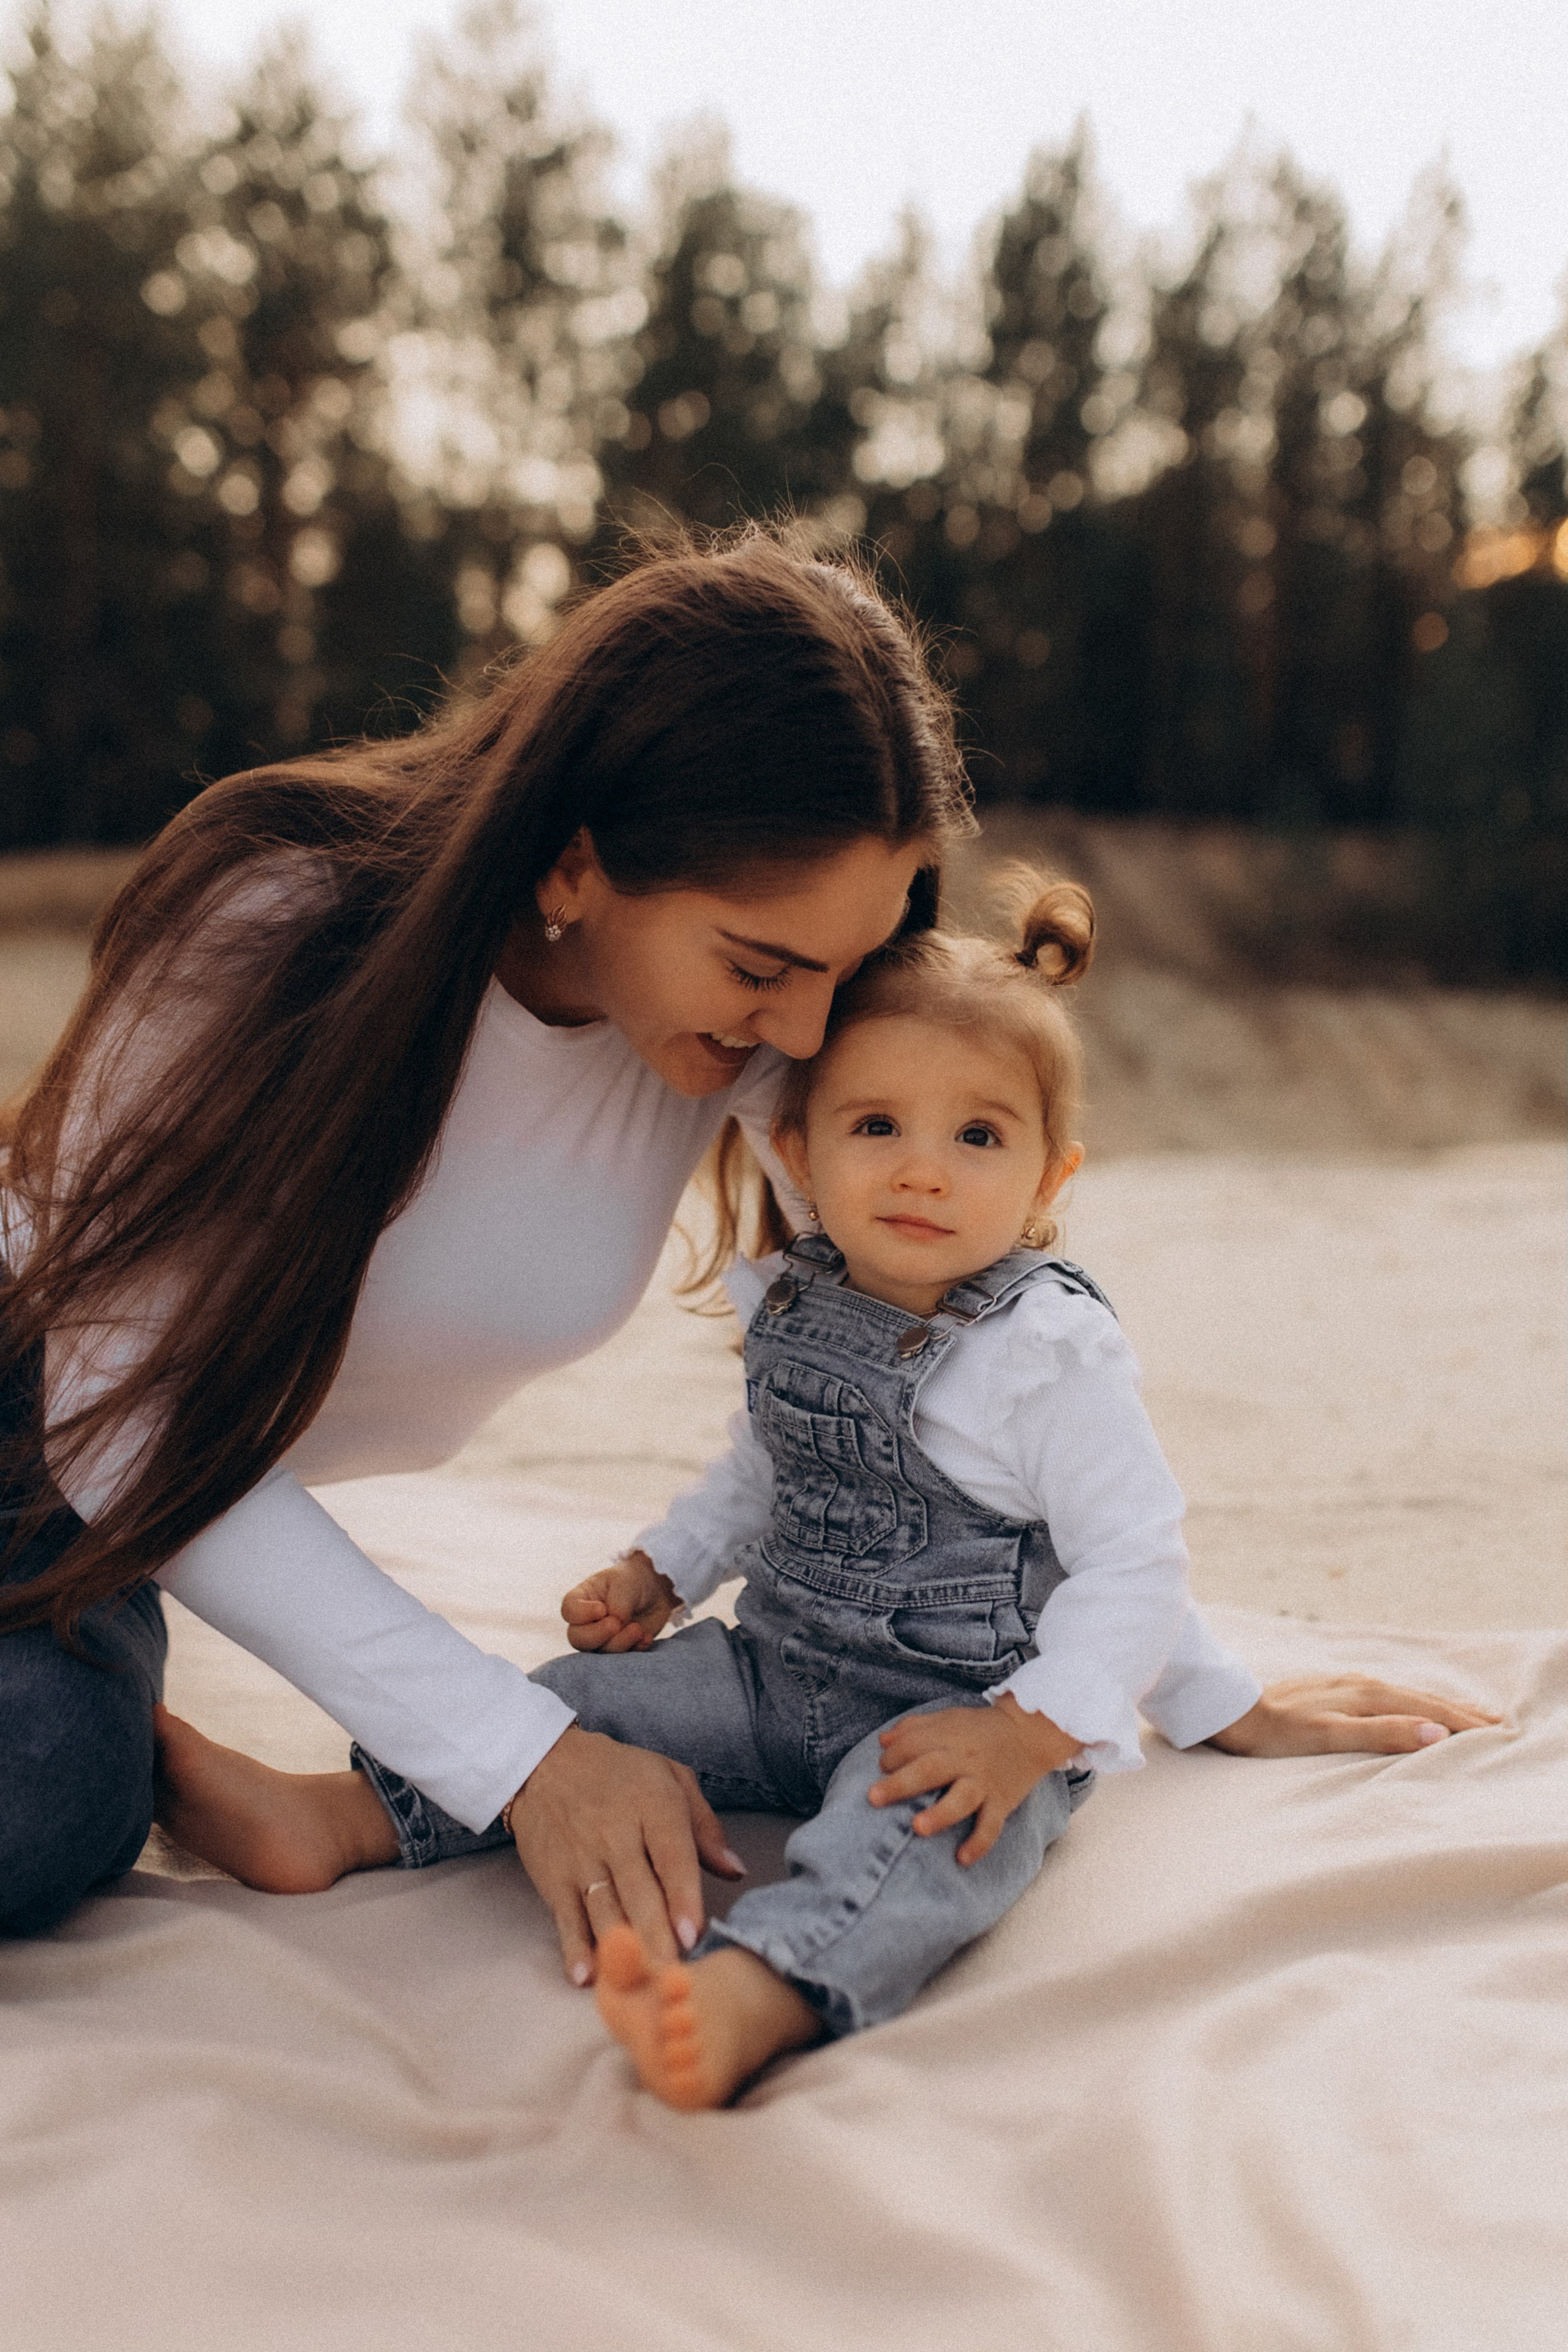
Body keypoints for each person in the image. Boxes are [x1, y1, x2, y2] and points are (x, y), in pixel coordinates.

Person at [0, 528, 1491, 1953]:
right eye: (763, 965)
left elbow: (960, 1382)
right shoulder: (273, 923)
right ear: (575, 863)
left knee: (41, 1788)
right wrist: (522, 1761)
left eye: (838, 971)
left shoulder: (747, 1035)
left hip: (101, 1529)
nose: (804, 1029)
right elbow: (124, 1424)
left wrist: (1202, 1690)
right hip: (55, 1429)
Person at [353, 873, 1498, 2106]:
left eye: (977, 1136)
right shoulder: (804, 1295)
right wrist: (663, 1569)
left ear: (1049, 1179)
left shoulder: (1047, 1355)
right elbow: (758, 1472)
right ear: (797, 1150)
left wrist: (1047, 1733)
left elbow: (1126, 1563)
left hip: (963, 1712)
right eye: (875, 1127)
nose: (921, 1172)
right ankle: (352, 1815)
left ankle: (765, 1989)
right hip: (770, 1673)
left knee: (917, 1843)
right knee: (580, 1703)